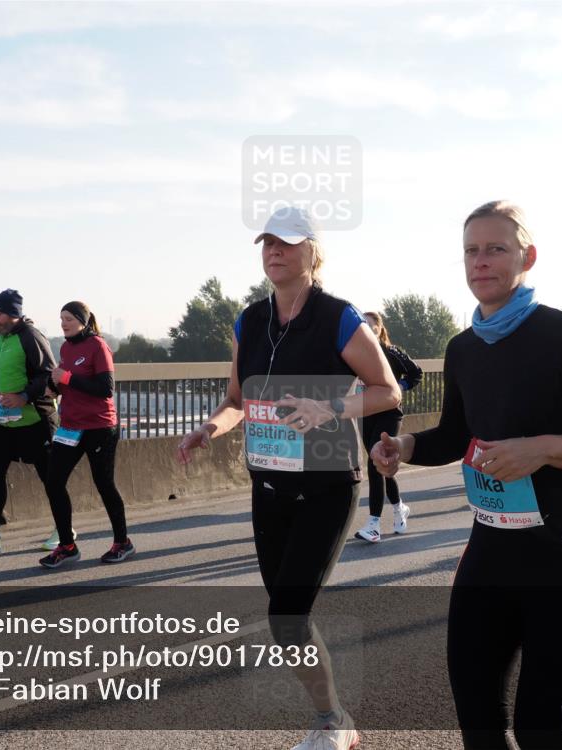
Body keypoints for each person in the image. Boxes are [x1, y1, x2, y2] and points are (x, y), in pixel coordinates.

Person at [371, 201, 562, 750]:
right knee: (479, 727)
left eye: (496, 248)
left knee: (544, 736)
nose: (481, 261)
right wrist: (405, 446)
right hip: (489, 552)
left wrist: (542, 450)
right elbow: (455, 435)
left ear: (527, 257)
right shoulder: (463, 348)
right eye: (471, 250)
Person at [176, 206, 400, 750]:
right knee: (286, 623)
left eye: (288, 242)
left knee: (287, 615)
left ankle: (333, 723)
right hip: (270, 487)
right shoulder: (248, 321)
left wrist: (330, 407)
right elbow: (236, 399)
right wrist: (209, 428)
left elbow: (387, 391)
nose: (274, 250)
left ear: (313, 252)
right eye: (267, 242)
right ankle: (334, 717)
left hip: (326, 486)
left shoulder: (338, 317)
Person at [0, 289, 61, 557]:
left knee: (50, 478)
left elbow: (49, 375)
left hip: (35, 420)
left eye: (0, 313)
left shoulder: (31, 336)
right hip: (4, 422)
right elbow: (5, 372)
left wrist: (24, 396)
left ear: (14, 313)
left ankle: (64, 531)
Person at [39, 301, 133, 568]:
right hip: (70, 427)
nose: (63, 323)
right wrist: (54, 386)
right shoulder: (66, 348)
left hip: (100, 427)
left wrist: (67, 379)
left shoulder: (97, 346)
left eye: (68, 319)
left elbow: (105, 388)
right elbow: (65, 382)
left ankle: (122, 542)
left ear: (83, 321)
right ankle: (67, 546)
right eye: (61, 319)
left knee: (104, 484)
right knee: (53, 482)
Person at [353, 311, 422, 542]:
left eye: (371, 325)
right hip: (366, 414)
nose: (367, 328)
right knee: (380, 465)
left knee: (374, 466)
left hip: (390, 414)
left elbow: (416, 372)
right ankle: (399, 508)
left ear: (380, 329)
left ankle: (373, 525)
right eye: (363, 325)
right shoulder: (355, 353)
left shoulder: (391, 352)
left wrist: (399, 386)